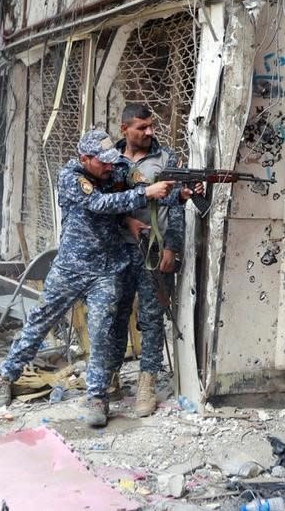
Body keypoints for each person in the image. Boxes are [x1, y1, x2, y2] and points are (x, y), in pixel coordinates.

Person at [0, 129, 175, 428]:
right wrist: (142, 196)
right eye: (101, 162)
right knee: (41, 320)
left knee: (102, 331)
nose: (109, 167)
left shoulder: (116, 169)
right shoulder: (71, 177)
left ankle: (97, 396)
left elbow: (146, 185)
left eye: (111, 161)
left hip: (109, 269)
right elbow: (101, 204)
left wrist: (180, 192)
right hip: (72, 268)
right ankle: (6, 375)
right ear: (85, 159)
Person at [108, 103, 202, 417]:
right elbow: (103, 203)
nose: (149, 132)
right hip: (117, 251)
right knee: (114, 316)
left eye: (151, 126)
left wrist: (171, 248)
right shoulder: (110, 159)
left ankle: (147, 382)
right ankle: (110, 377)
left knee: (151, 318)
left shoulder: (166, 159)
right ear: (125, 129)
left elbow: (175, 207)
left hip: (153, 251)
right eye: (141, 127)